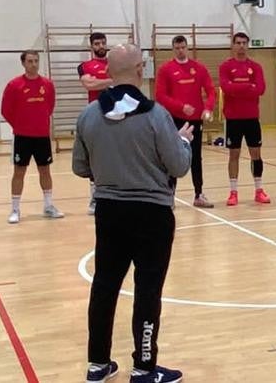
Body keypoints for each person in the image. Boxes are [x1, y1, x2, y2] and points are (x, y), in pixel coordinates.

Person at [73, 45, 191, 383]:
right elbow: (179, 166)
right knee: (147, 289)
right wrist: (182, 142)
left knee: (105, 285)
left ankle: (97, 364)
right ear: (141, 69)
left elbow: (80, 167)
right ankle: (143, 368)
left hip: (109, 211)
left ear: (108, 71)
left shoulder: (89, 116)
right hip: (152, 214)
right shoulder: (156, 116)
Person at [1, 50, 62, 224]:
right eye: (30, 61)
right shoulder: (14, 85)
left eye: (36, 61)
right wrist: (20, 125)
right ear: (23, 63)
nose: (34, 64)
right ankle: (15, 209)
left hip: (42, 136)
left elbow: (49, 107)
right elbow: (6, 110)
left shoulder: (48, 85)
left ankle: (49, 206)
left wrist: (38, 123)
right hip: (22, 137)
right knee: (19, 171)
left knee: (45, 170)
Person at [154, 35, 216, 208]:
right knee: (171, 156)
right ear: (173, 49)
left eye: (183, 47)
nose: (181, 50)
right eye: (177, 48)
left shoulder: (199, 68)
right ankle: (169, 195)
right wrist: (181, 107)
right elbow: (160, 96)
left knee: (196, 157)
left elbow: (211, 90)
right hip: (174, 119)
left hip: (195, 120)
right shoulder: (166, 69)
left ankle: (199, 194)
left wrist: (208, 108)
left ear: (187, 48)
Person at [219, 33, 270, 206]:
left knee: (256, 154)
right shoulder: (226, 66)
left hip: (251, 117)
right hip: (233, 118)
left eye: (244, 43)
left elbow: (261, 89)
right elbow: (226, 87)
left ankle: (259, 190)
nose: (241, 46)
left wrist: (238, 88)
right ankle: (233, 192)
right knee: (234, 154)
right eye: (238, 43)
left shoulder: (256, 67)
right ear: (233, 45)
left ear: (248, 45)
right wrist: (248, 86)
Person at [79, 32, 112, 215]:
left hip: (115, 116)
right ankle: (94, 198)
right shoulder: (84, 66)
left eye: (103, 43)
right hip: (95, 117)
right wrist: (112, 81)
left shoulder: (114, 64)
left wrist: (100, 82)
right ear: (91, 46)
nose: (101, 46)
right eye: (97, 43)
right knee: (94, 159)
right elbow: (89, 85)